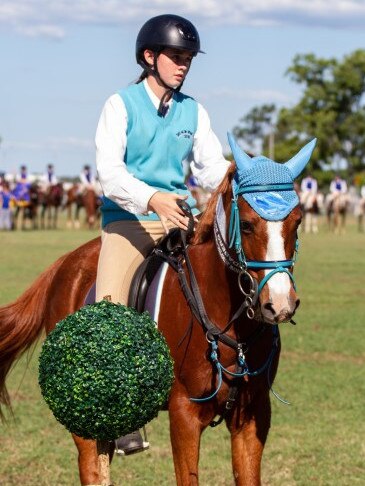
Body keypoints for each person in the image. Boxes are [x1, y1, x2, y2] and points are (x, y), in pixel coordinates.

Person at [94, 14, 230, 454]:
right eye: (176, 56)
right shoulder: (120, 105)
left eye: (188, 58)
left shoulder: (194, 110)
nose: (183, 64)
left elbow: (209, 168)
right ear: (149, 57)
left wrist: (239, 173)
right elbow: (109, 174)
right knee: (110, 306)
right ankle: (118, 415)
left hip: (181, 219)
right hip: (128, 220)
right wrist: (151, 198)